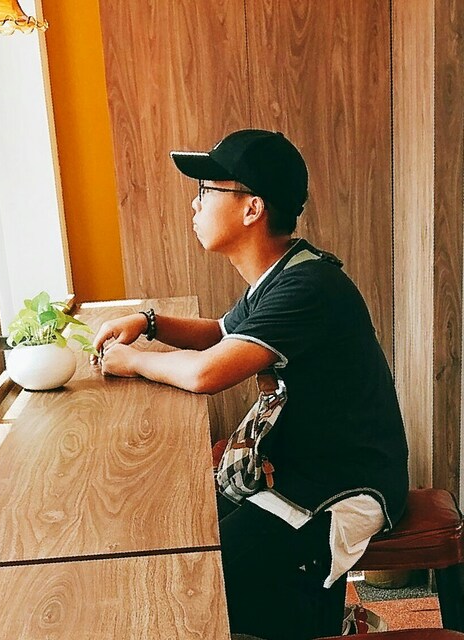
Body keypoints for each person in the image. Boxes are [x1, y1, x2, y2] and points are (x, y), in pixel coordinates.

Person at [91, 129, 409, 640]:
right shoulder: (282, 273)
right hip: (298, 468)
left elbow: (207, 372)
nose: (194, 204)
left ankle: (330, 622)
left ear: (252, 208)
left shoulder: (308, 286)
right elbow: (221, 334)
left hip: (343, 484)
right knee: (189, 538)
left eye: (206, 190)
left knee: (206, 578)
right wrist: (149, 322)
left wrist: (131, 361)